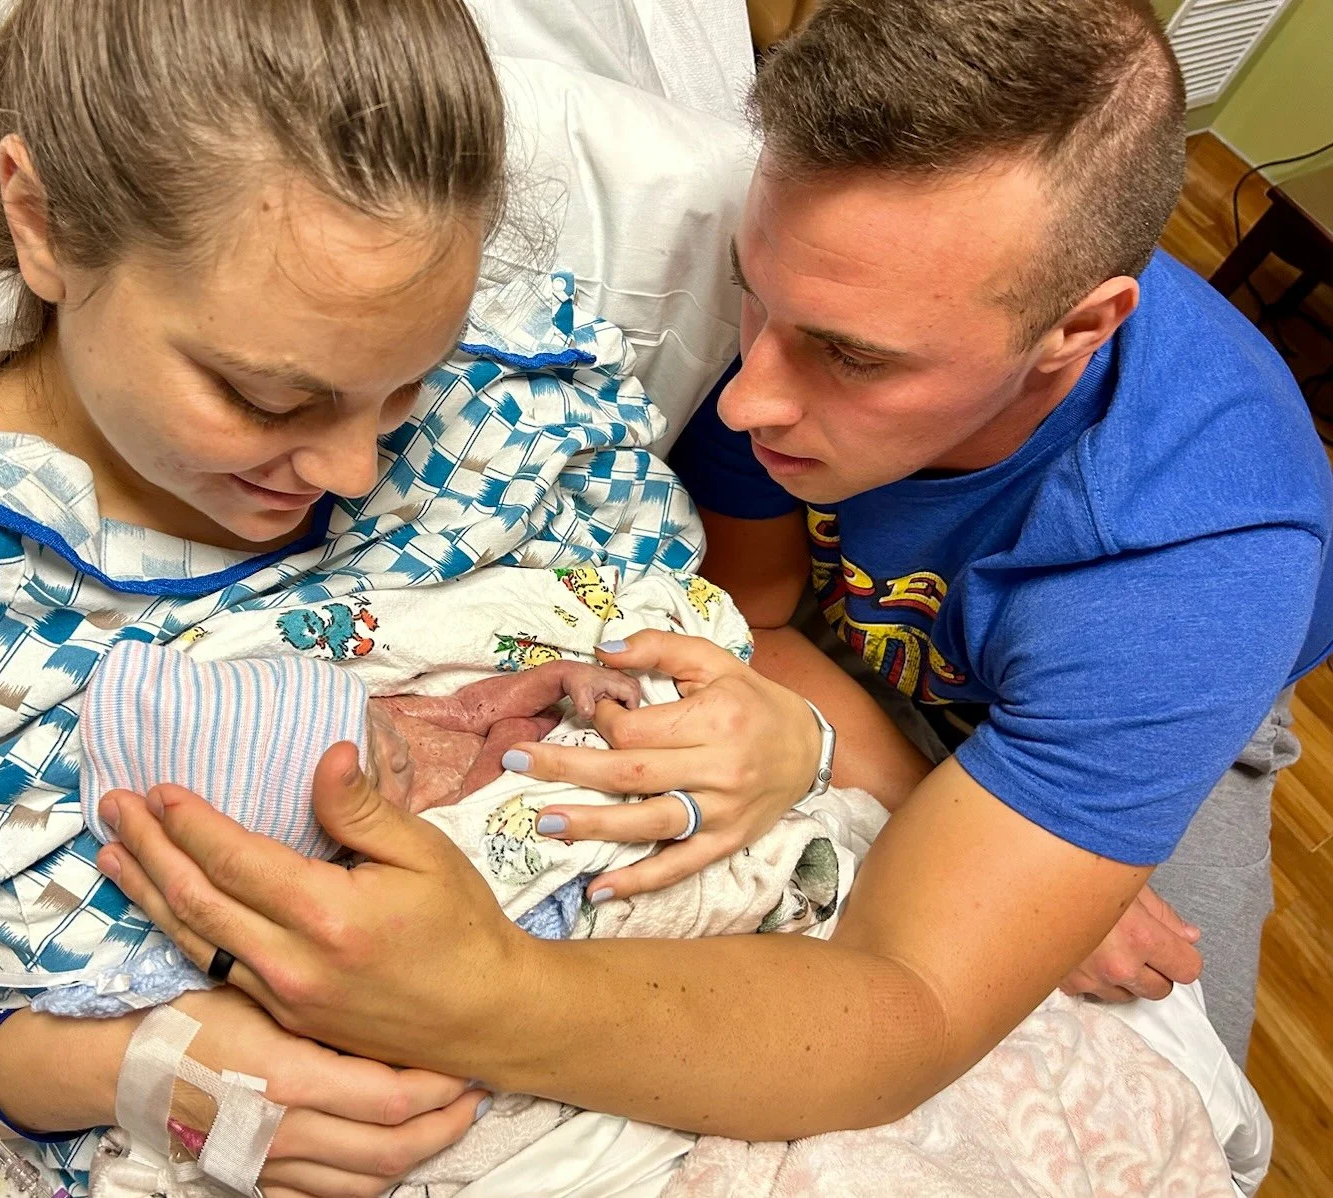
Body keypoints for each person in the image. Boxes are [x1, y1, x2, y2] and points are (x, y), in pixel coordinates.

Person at [96, 0, 1333, 1151]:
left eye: (852, 357)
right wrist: (902, 788)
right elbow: (753, 611)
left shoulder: (1197, 567)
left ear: (1080, 329)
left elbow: (904, 1003)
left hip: (1124, 683)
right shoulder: (810, 325)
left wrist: (483, 994)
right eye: (755, 297)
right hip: (849, 619)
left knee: (1189, 1070)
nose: (743, 401)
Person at [0, 0, 512, 1192]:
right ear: (42, 225)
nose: (357, 470)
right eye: (266, 399)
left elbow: (674, 615)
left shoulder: (488, 408)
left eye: (406, 384)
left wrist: (763, 736)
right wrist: (123, 1065)